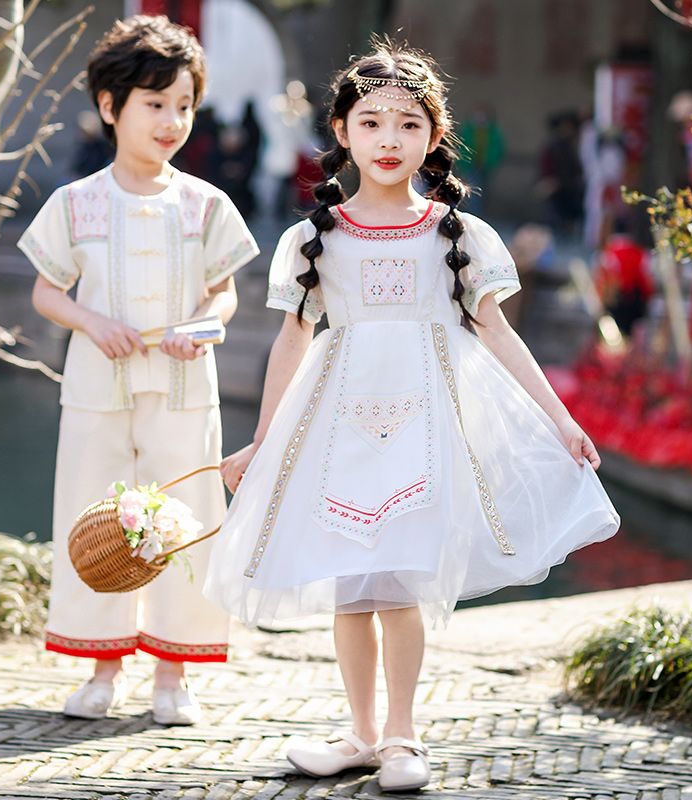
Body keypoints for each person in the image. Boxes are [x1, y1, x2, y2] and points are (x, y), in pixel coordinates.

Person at [203, 39, 619, 792]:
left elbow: (497, 330)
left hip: (429, 424)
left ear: (434, 135)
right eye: (371, 122)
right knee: (351, 587)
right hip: (337, 426)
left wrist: (559, 420)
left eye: (406, 124)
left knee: (399, 587)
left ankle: (402, 736)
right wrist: (264, 443)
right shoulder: (310, 240)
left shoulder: (459, 234)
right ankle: (361, 733)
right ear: (341, 131)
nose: (388, 140)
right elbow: (292, 341)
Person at [17, 16, 259, 725]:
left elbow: (226, 287)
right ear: (109, 106)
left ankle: (173, 676)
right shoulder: (75, 202)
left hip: (185, 389)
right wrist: (93, 322)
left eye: (184, 105)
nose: (172, 121)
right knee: (97, 522)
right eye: (155, 104)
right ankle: (102, 669)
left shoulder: (206, 203)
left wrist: (207, 323)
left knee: (184, 524)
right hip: (99, 389)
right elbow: (45, 291)